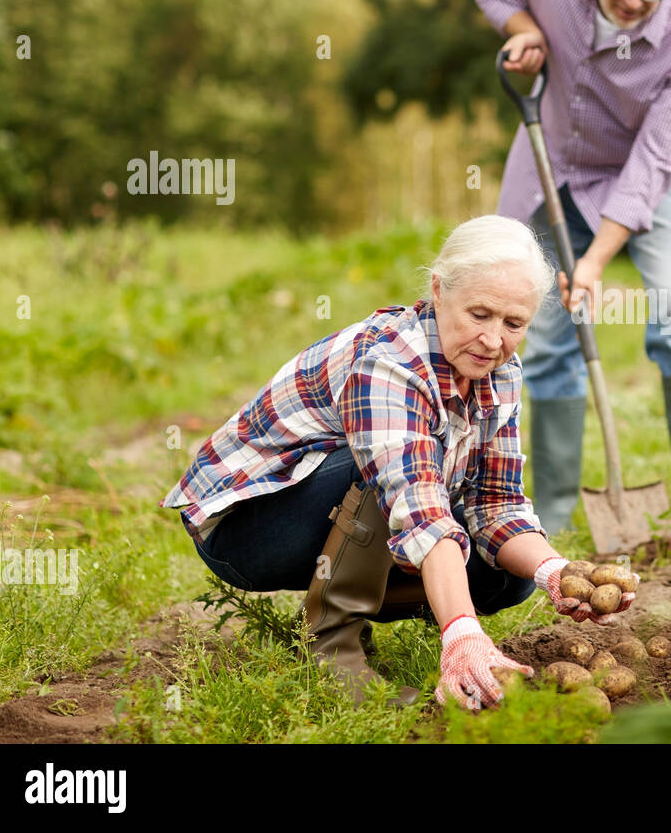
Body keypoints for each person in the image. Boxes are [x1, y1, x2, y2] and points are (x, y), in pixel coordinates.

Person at [159, 215, 638, 711]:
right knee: (381, 474)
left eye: (513, 323)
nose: (494, 340)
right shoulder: (389, 361)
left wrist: (555, 572)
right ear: (438, 290)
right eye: (479, 314)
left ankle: (361, 603)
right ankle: (329, 647)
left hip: (340, 515)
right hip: (246, 527)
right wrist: (461, 632)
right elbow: (418, 505)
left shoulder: (500, 372)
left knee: (510, 577)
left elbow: (496, 503)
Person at [465, 0, 671, 547]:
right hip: (555, 166)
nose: (635, 1)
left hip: (656, 178)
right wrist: (523, 28)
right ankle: (548, 510)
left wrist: (597, 260)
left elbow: (653, 159)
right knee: (548, 329)